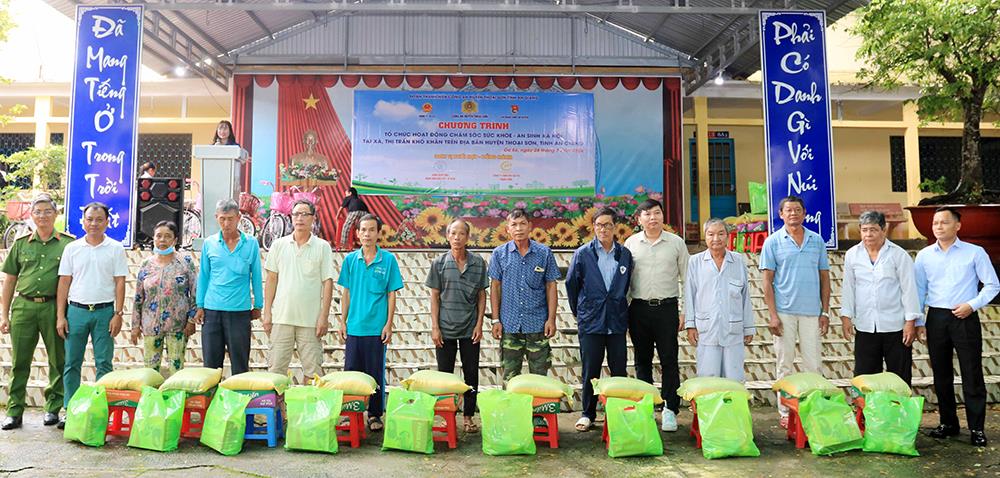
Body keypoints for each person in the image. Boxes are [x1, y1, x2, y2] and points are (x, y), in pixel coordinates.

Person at [915, 207, 1000, 447]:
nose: (938, 227)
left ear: (957, 226)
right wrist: (919, 321)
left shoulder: (975, 253)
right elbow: (919, 290)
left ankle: (976, 428)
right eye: (935, 223)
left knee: (971, 373)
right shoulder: (924, 256)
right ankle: (948, 423)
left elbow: (992, 285)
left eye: (944, 222)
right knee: (941, 374)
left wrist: (972, 305)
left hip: (965, 316)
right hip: (936, 317)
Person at [0, 195, 75, 430]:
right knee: (20, 360)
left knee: (57, 359)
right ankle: (14, 411)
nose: (42, 216)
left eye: (47, 211)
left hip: (55, 306)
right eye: (38, 212)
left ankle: (52, 409)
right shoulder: (21, 244)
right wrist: (4, 314)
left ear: (56, 214)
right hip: (24, 306)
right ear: (31, 215)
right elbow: (10, 280)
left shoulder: (68, 244)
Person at [759, 195, 831, 429]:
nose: (793, 214)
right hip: (784, 313)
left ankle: (815, 408)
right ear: (781, 214)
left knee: (814, 364)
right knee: (785, 364)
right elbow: (767, 281)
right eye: (788, 210)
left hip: (812, 312)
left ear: (804, 213)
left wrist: (825, 312)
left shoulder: (816, 240)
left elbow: (824, 278)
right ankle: (785, 412)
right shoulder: (772, 242)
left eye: (797, 210)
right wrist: (772, 314)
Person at [56, 202, 128, 428]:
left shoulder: (115, 248)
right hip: (76, 311)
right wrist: (61, 315)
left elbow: (120, 282)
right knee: (71, 362)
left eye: (99, 219)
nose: (94, 223)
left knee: (104, 363)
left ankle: (101, 409)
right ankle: (71, 408)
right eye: (90, 219)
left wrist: (118, 313)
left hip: (105, 312)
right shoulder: (72, 248)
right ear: (83, 221)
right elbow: (64, 282)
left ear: (107, 222)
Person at [565, 207, 632, 432]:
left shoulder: (624, 254)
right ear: (593, 227)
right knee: (590, 369)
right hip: (591, 320)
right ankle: (588, 413)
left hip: (616, 320)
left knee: (619, 369)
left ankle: (618, 411)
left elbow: (628, 285)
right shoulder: (583, 254)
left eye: (608, 225)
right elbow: (571, 285)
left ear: (615, 228)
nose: (603, 229)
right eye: (599, 225)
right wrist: (581, 311)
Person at [623, 198, 688, 432]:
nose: (653, 218)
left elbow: (687, 279)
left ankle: (670, 408)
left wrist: (685, 313)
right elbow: (625, 281)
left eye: (657, 213)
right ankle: (647, 406)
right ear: (639, 219)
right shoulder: (631, 244)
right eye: (647, 214)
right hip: (638, 309)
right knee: (642, 360)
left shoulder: (676, 243)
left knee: (669, 359)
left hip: (667, 308)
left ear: (663, 216)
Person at [337, 214, 403, 431]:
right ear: (357, 234)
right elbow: (345, 293)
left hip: (376, 329)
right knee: (352, 373)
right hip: (354, 327)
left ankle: (375, 415)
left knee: (375, 373)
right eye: (363, 230)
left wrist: (389, 324)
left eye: (371, 230)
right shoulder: (350, 261)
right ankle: (349, 413)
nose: (367, 234)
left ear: (378, 233)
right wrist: (342, 321)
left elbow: (392, 294)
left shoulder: (388, 260)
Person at [840, 211, 922, 385]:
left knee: (899, 377)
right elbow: (849, 287)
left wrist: (910, 322)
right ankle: (868, 413)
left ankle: (900, 412)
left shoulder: (899, 255)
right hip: (865, 326)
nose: (868, 234)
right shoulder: (852, 255)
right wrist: (846, 316)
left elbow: (909, 289)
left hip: (896, 327)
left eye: (873, 230)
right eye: (864, 230)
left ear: (883, 230)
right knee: (865, 378)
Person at [425, 219, 488, 433]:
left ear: (468, 237)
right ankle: (446, 416)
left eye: (462, 233)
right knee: (445, 375)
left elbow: (482, 294)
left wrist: (480, 324)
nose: (457, 237)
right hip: (445, 328)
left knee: (471, 374)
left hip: (470, 328)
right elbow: (434, 296)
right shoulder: (439, 263)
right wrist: (435, 326)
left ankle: (469, 416)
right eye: (453, 233)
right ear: (447, 236)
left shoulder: (478, 263)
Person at [263, 200, 334, 382]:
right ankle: (278, 411)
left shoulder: (323, 247)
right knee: (276, 371)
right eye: (296, 214)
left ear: (313, 219)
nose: (299, 218)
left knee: (313, 372)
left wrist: (323, 317)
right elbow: (271, 280)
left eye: (304, 214)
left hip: (310, 321)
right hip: (281, 318)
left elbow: (327, 283)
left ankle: (309, 410)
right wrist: (267, 313)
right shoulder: (278, 245)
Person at [488, 209, 561, 382]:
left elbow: (551, 286)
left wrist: (551, 319)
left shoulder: (544, 253)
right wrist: (495, 320)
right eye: (514, 224)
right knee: (510, 378)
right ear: (508, 229)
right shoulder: (499, 254)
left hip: (538, 325)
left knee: (540, 379)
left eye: (522, 224)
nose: (518, 228)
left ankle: (539, 410)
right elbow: (495, 287)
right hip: (510, 326)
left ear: (530, 226)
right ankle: (513, 409)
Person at [194, 199, 263, 376]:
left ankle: (239, 402)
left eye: (230, 219)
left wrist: (258, 305)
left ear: (238, 218)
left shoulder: (251, 243)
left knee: (240, 365)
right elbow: (204, 276)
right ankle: (211, 402)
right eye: (222, 218)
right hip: (212, 310)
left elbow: (256, 275)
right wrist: (199, 305)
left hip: (239, 311)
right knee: (210, 366)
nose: (226, 223)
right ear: (216, 217)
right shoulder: (209, 243)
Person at [683, 218, 754, 382]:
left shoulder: (738, 260)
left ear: (727, 236)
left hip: (733, 328)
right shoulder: (695, 261)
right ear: (705, 237)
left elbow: (745, 296)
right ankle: (708, 408)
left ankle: (733, 407)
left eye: (721, 234)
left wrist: (749, 327)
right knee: (708, 377)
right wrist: (690, 324)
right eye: (711, 234)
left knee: (734, 377)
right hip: (706, 328)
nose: (716, 239)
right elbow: (689, 294)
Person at [131, 221, 198, 377]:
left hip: (178, 325)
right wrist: (135, 326)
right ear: (153, 239)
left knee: (176, 369)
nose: (162, 240)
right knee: (150, 371)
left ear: (175, 240)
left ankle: (175, 400)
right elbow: (139, 297)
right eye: (158, 236)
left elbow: (194, 292)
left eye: (167, 236)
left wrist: (191, 320)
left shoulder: (185, 262)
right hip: (150, 325)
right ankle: (152, 399)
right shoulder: (146, 264)